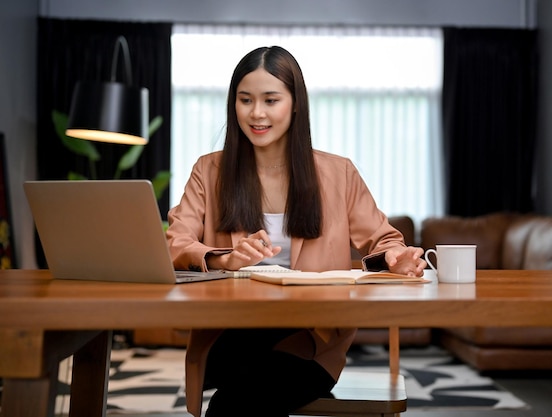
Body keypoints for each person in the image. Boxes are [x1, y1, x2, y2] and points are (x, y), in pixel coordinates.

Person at [167, 45, 427, 417]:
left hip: (312, 339)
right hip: (233, 334)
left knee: (235, 403)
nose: (257, 113)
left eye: (271, 100)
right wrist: (226, 258)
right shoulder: (209, 171)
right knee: (244, 395)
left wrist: (395, 258)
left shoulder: (339, 174)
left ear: (295, 104)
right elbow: (176, 242)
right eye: (245, 100)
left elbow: (384, 241)